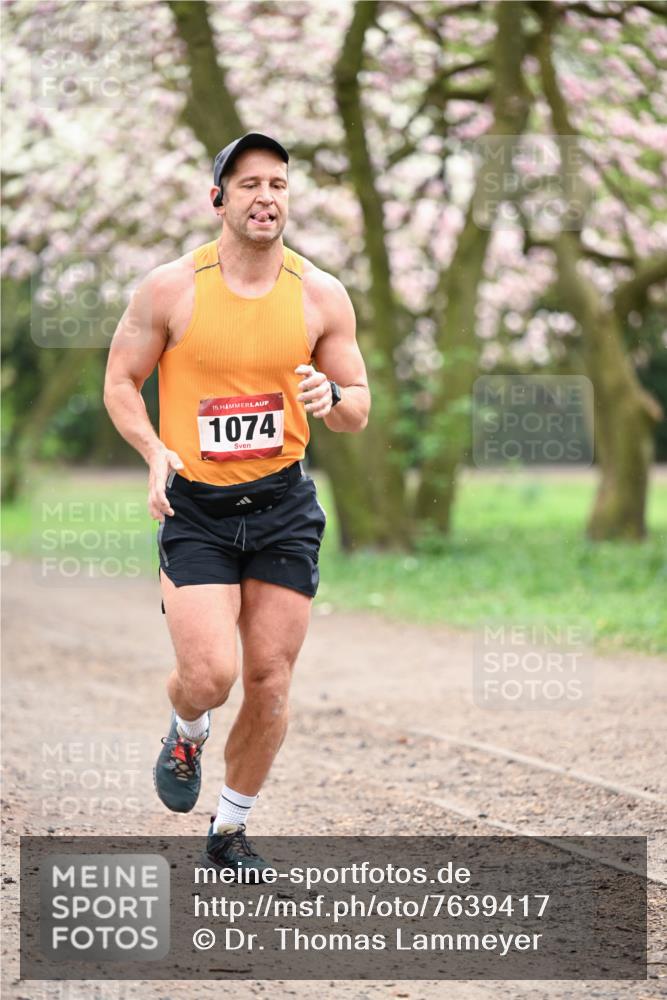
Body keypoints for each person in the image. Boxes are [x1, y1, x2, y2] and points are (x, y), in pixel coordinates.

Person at [103, 132, 370, 875]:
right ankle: (186, 728)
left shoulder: (319, 293)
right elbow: (121, 382)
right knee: (210, 675)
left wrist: (332, 395)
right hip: (199, 509)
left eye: (278, 184)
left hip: (282, 504)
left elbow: (358, 409)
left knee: (270, 679)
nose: (266, 197)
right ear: (218, 198)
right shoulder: (169, 288)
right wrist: (156, 452)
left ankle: (228, 832)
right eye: (249, 183)